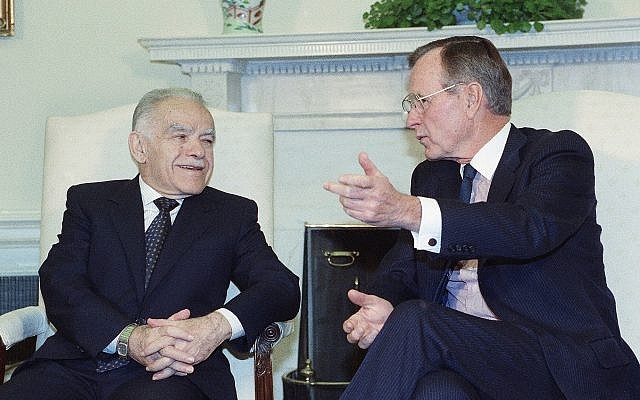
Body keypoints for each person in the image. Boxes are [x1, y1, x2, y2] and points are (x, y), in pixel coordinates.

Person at [323, 36, 640, 399]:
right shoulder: (432, 176)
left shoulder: (557, 154)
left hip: (557, 362)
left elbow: (527, 229)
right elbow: (404, 266)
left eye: (420, 102)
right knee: (436, 390)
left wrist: (409, 210)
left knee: (418, 321)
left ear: (470, 98)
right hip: (467, 360)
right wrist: (383, 303)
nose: (411, 119)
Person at [0, 88, 300, 400]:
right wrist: (130, 338)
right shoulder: (91, 203)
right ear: (140, 147)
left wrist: (213, 327)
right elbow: (61, 282)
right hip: (75, 365)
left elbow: (281, 287)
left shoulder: (231, 215)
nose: (198, 150)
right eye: (180, 137)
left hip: (176, 374)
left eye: (207, 140)